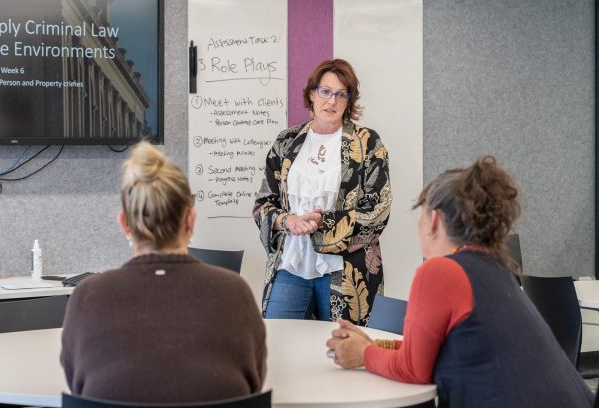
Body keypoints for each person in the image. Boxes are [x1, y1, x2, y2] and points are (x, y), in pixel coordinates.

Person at [325, 156, 593, 407]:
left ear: (434, 221)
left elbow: (413, 370)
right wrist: (373, 346)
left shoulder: (441, 271)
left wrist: (363, 355)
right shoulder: (495, 265)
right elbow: (431, 355)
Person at [61, 142, 266, 403]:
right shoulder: (235, 292)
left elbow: (77, 385)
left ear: (125, 223)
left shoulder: (88, 295)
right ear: (190, 220)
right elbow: (255, 383)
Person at [253, 58, 392, 323]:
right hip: (290, 264)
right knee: (280, 347)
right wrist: (287, 220)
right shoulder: (286, 141)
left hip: (346, 270)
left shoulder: (367, 143)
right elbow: (263, 204)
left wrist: (323, 222)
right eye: (325, 92)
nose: (332, 101)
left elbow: (379, 209)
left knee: (341, 355)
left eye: (341, 94)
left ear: (349, 101)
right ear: (311, 94)